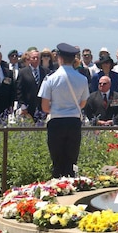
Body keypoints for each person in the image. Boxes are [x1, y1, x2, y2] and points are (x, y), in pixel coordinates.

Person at [38, 43, 89, 178]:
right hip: (74, 121)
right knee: (71, 162)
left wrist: (57, 108)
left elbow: (44, 107)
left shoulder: (51, 78)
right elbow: (83, 103)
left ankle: (58, 188)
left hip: (56, 121)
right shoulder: (82, 79)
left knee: (57, 162)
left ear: (59, 58)